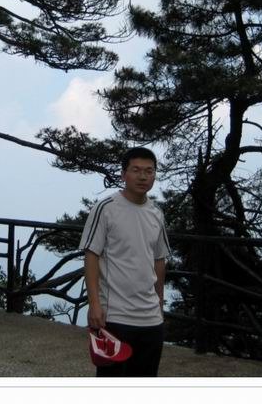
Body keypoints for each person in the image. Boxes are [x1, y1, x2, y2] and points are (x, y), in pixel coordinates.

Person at [79, 146, 171, 377]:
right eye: (136, 170)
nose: (143, 176)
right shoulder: (106, 208)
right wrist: (94, 304)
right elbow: (91, 255)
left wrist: (159, 304)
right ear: (123, 175)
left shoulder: (156, 213)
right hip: (115, 316)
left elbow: (159, 260)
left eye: (149, 171)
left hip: (151, 318)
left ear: (154, 176)